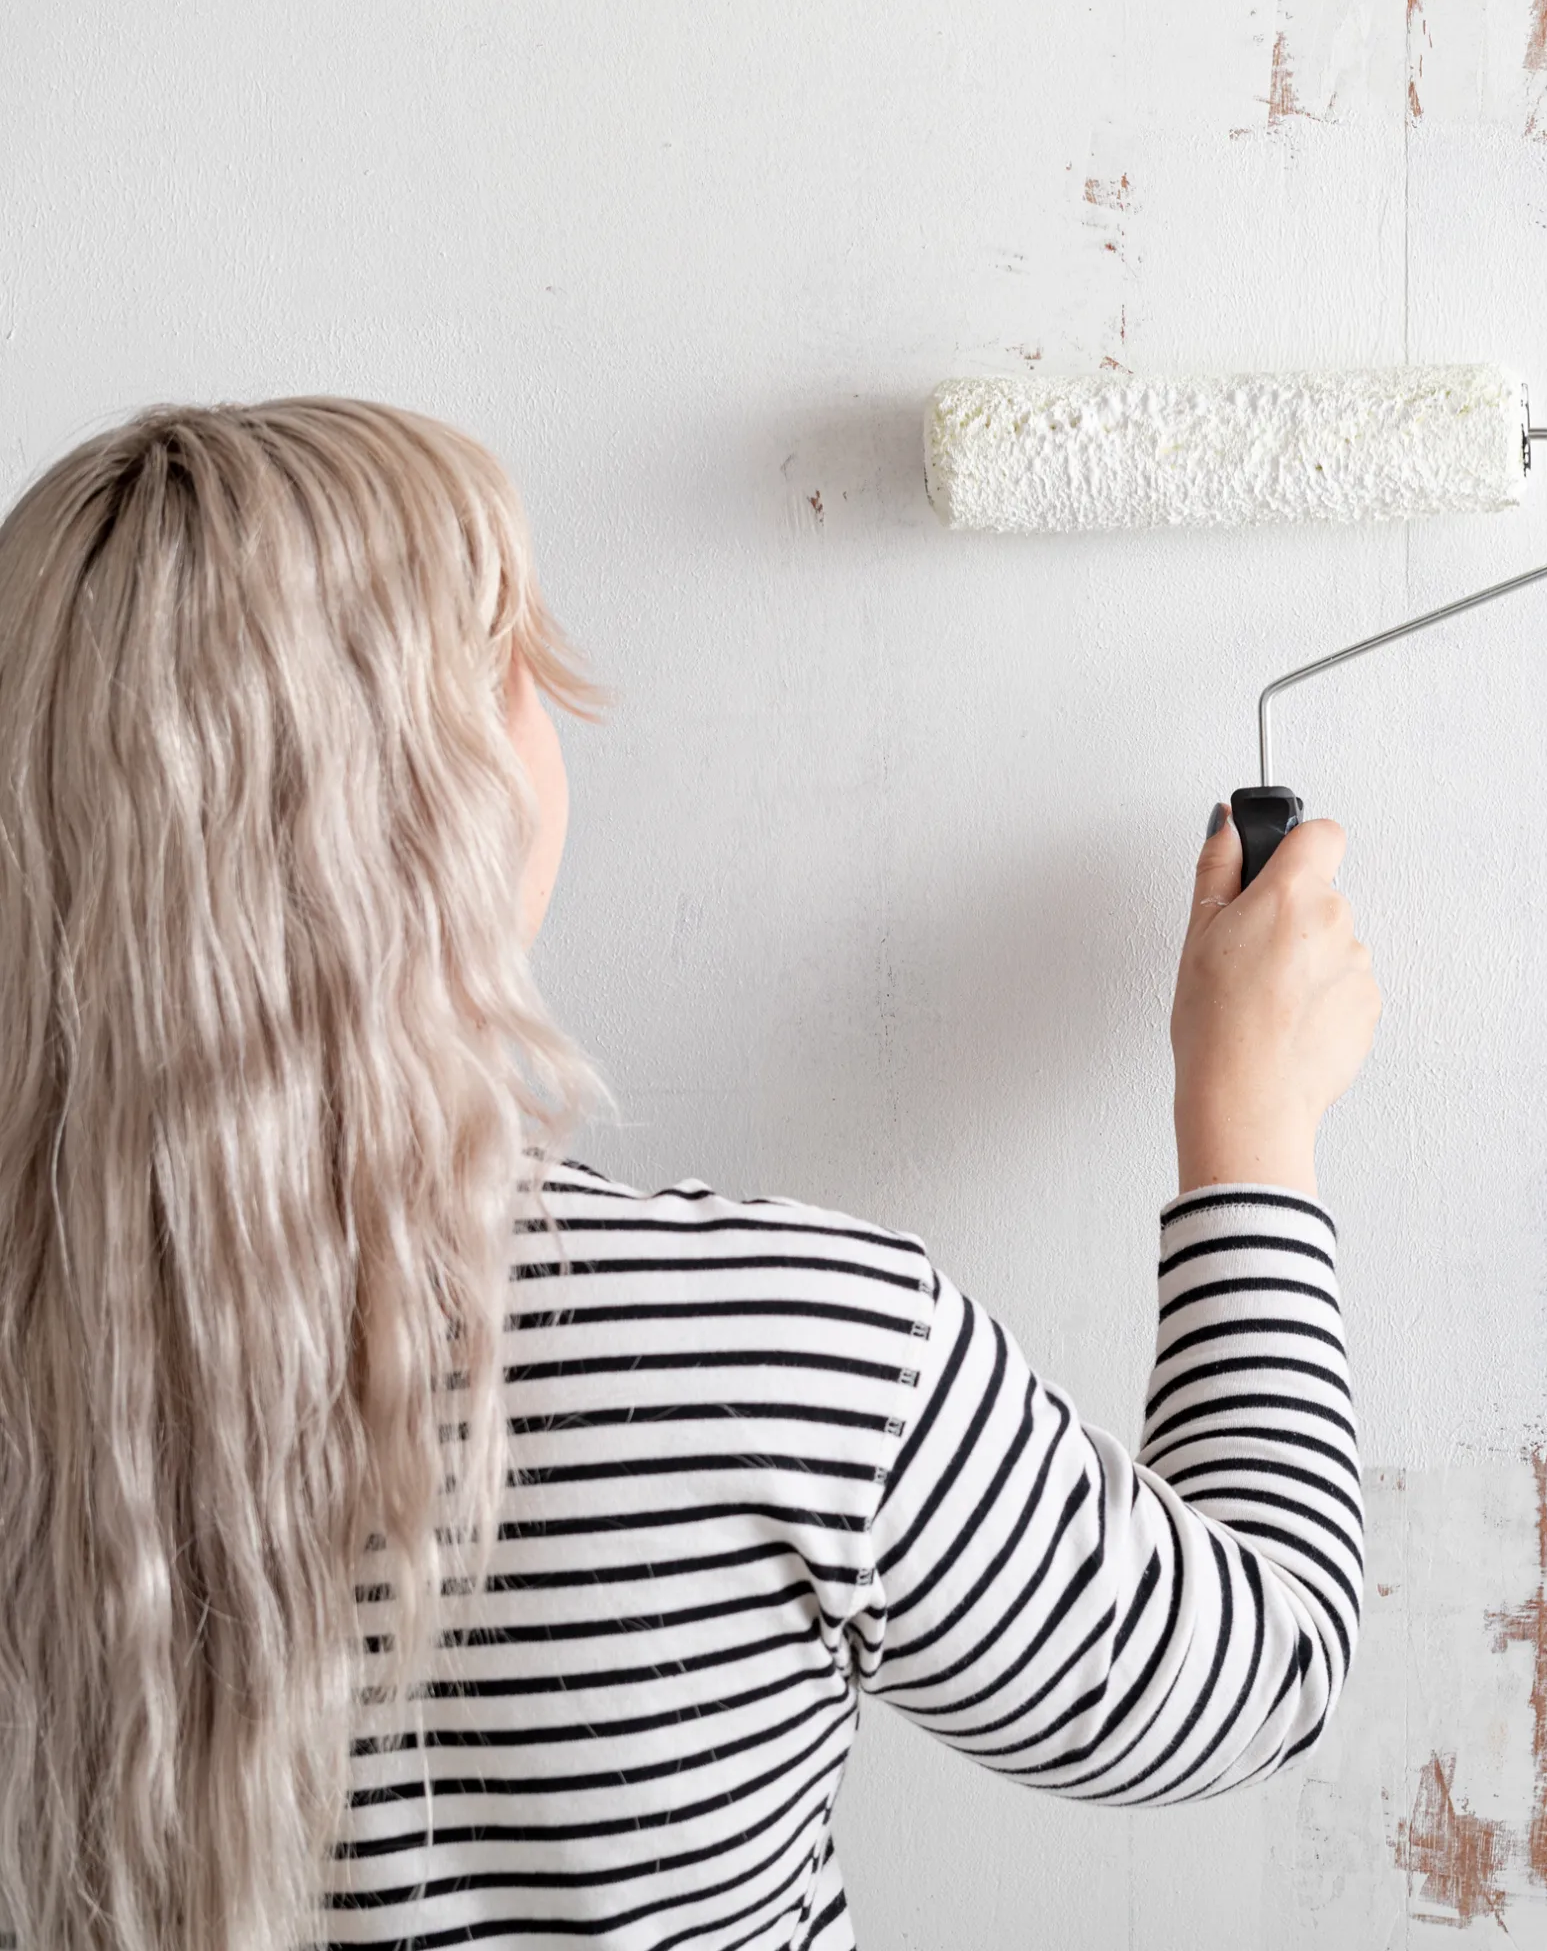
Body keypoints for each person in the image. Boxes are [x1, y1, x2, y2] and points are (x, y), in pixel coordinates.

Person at [0, 400, 1382, 1951]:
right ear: (456, 793)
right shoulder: (775, 1349)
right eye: (513, 661)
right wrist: (1250, 1128)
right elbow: (1255, 1670)